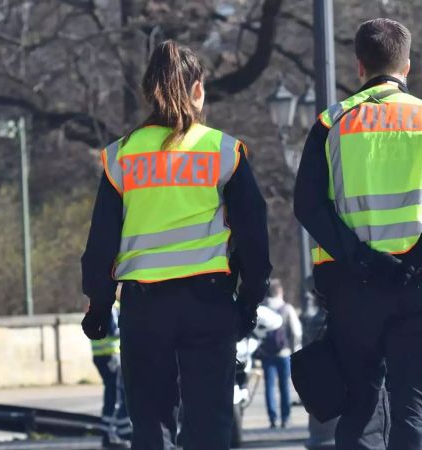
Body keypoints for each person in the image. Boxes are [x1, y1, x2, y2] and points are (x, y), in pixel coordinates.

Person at [293, 18, 422, 449]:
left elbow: (308, 204)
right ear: (408, 66)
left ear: (359, 66)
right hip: (420, 288)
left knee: (361, 410)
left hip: (353, 290)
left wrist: (360, 258)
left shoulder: (331, 124)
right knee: (416, 413)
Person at [80, 40, 272, 450]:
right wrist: (250, 299)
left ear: (148, 90)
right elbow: (255, 234)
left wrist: (98, 305)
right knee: (209, 423)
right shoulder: (224, 152)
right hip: (209, 303)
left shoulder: (121, 157)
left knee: (151, 423)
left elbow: (101, 244)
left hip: (144, 308)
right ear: (198, 89)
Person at [256, 279, 302, 429]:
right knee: (284, 386)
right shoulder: (287, 308)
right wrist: (295, 349)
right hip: (284, 353)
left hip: (266, 353)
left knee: (269, 386)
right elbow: (296, 331)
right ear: (280, 291)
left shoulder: (261, 309)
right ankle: (285, 418)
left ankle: (272, 419)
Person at [91, 300, 133, 448]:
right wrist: (132, 328)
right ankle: (110, 435)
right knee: (115, 396)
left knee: (115, 394)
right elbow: (113, 330)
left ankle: (120, 431)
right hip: (110, 355)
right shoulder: (109, 304)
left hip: (103, 355)